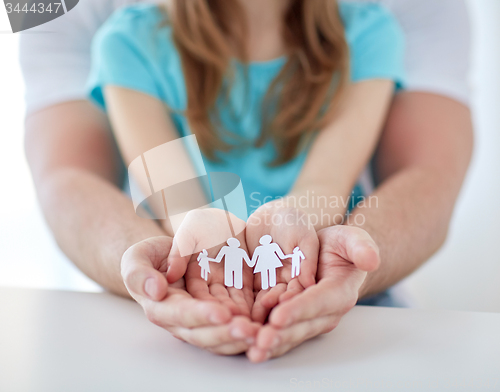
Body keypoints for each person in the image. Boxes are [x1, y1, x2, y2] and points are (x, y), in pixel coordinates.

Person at [19, 0, 473, 363]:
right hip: (190, 280)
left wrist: (295, 223)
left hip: (337, 280)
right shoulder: (128, 43)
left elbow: (323, 187)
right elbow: (181, 198)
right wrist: (203, 231)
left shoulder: (370, 34)